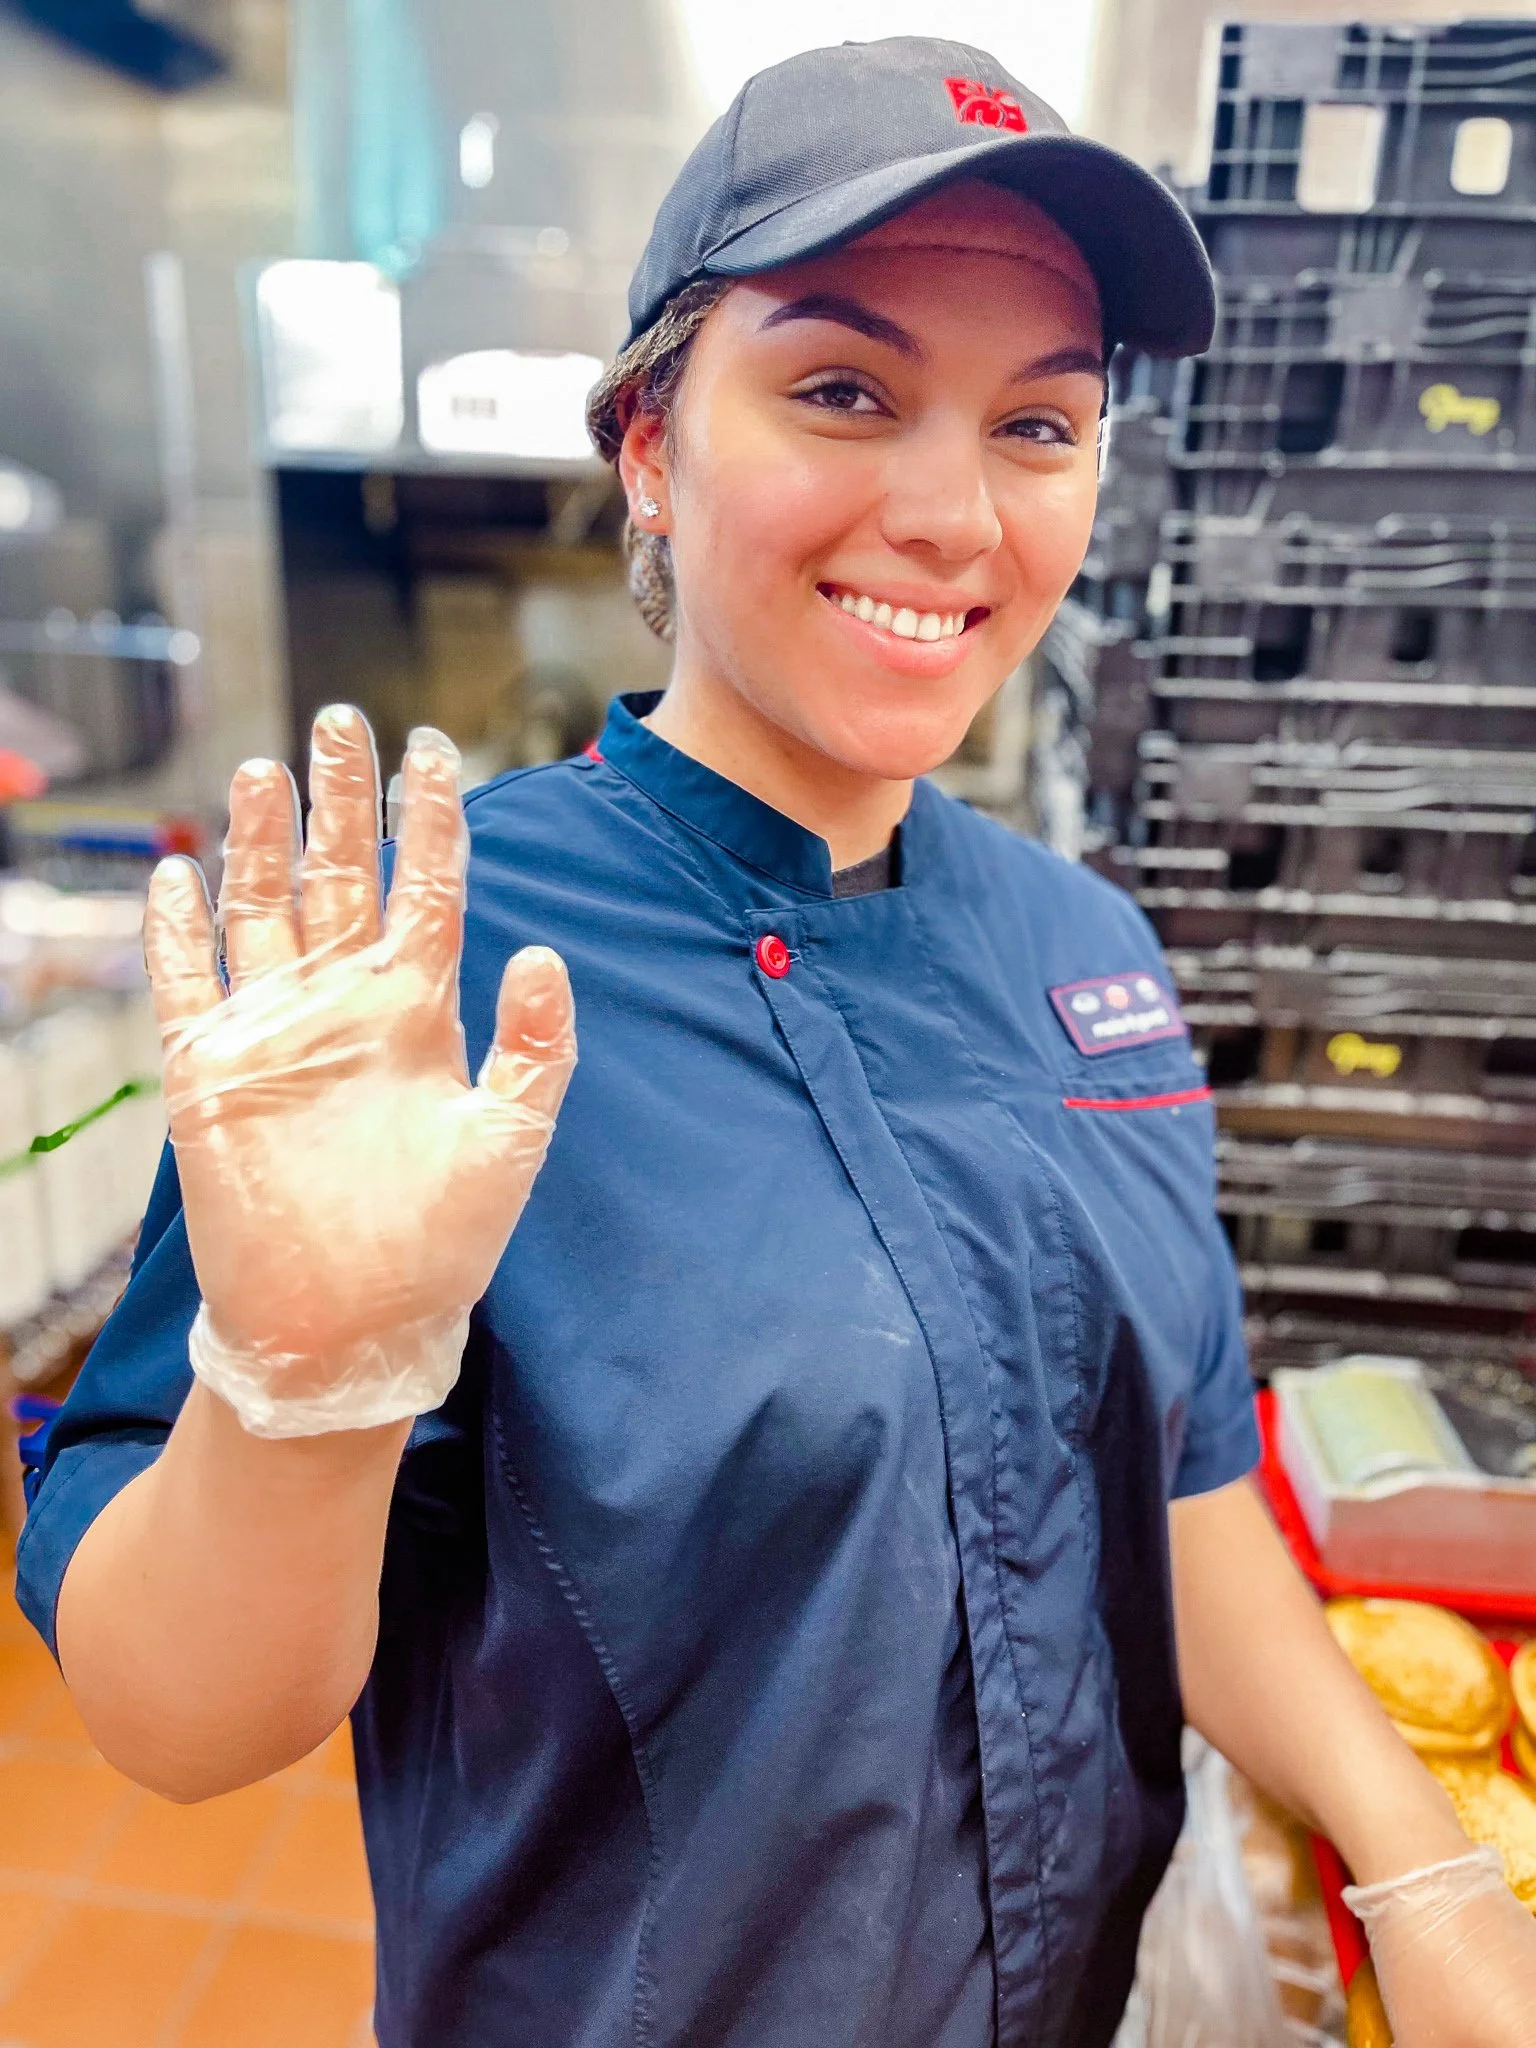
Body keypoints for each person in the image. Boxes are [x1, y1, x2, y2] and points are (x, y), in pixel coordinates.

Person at [16, 36, 1536, 2048]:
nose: (953, 514)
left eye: (1039, 422)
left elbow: (1179, 1491)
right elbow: (176, 1717)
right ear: (652, 443)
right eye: (843, 389)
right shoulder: (422, 978)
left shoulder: (1088, 952)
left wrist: (1417, 1852)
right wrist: (303, 1391)